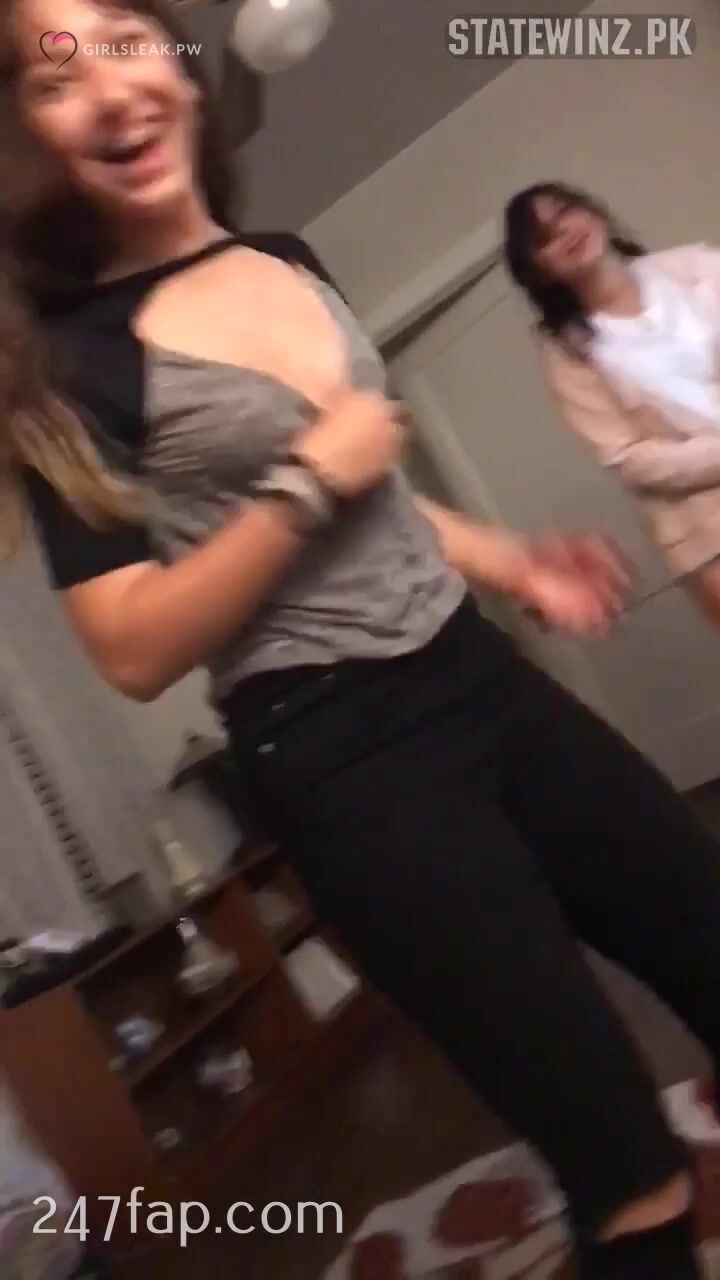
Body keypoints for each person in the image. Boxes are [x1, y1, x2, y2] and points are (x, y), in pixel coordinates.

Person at [3, 5, 720, 1276]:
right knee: (623, 1159)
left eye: (121, 38)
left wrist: (508, 558)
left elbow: (376, 483)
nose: (107, 88)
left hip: (479, 672)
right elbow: (128, 646)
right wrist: (306, 484)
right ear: (23, 138)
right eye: (52, 76)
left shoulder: (284, 255)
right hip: (345, 755)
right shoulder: (69, 361)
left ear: (182, 69)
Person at [504, 179, 720, 627]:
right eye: (544, 239)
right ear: (538, 271)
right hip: (705, 527)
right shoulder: (567, 353)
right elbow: (631, 460)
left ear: (594, 211)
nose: (564, 233)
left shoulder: (701, 267)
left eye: (565, 213)